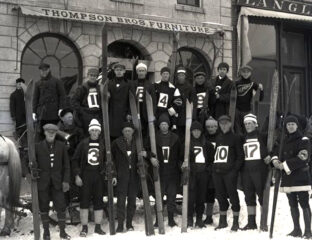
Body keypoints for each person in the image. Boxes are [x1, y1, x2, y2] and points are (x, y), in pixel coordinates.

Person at [272, 115, 311, 238]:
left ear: (297, 125)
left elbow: (303, 157)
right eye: (288, 124)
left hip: (300, 177)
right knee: (292, 204)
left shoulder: (303, 140)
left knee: (304, 204)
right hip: (288, 178)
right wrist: (275, 160)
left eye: (292, 124)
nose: (290, 126)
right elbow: (275, 151)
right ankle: (297, 229)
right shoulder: (283, 140)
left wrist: (284, 165)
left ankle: (308, 231)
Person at [112, 122, 150, 232]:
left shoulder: (138, 143)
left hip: (134, 176)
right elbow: (111, 160)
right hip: (121, 176)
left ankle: (129, 224)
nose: (127, 132)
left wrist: (145, 154)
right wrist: (114, 174)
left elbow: (148, 154)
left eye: (129, 130)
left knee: (132, 201)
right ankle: (120, 224)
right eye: (125, 131)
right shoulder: (116, 143)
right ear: (122, 132)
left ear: (133, 132)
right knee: (120, 201)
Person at [35, 123, 71, 240]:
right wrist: (29, 174)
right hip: (42, 182)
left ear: (56, 133)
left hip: (58, 182)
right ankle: (46, 233)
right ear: (45, 133)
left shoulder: (62, 146)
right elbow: (28, 161)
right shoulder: (38, 146)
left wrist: (66, 181)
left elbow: (67, 166)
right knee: (44, 207)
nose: (51, 134)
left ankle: (62, 232)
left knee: (61, 207)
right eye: (49, 132)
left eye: (53, 133)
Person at [72, 119, 106, 237]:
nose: (95, 132)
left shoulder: (103, 144)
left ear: (99, 132)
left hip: (98, 175)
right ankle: (84, 227)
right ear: (90, 131)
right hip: (86, 175)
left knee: (99, 201)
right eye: (93, 130)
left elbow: (108, 161)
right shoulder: (83, 143)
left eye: (97, 130)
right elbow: (75, 160)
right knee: (84, 201)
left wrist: (109, 173)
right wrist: (77, 175)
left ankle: (98, 226)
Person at [212, 115, 244, 231]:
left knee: (233, 195)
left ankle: (235, 222)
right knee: (220, 196)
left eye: (226, 123)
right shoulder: (218, 137)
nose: (223, 125)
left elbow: (240, 156)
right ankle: (223, 221)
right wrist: (214, 168)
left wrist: (234, 170)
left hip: (229, 173)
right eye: (221, 124)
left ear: (230, 124)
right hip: (217, 172)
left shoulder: (236, 138)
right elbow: (216, 154)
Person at [241, 114, 271, 230]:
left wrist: (271, 156)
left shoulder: (263, 136)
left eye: (250, 123)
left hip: (259, 171)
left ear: (255, 124)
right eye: (246, 124)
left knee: (262, 196)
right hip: (247, 171)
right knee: (248, 196)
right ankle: (251, 222)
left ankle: (263, 223)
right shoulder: (243, 137)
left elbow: (275, 146)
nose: (248, 125)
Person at [152, 113, 182, 227]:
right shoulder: (154, 137)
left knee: (171, 196)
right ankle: (158, 219)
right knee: (158, 196)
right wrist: (151, 157)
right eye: (162, 124)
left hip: (172, 172)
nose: (164, 126)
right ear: (159, 126)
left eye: (166, 124)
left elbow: (180, 153)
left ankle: (170, 219)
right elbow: (148, 149)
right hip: (160, 172)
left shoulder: (175, 138)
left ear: (168, 125)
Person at [184, 121, 214, 228]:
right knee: (190, 198)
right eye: (194, 131)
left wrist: (207, 170)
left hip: (203, 174)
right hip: (192, 174)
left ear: (201, 132)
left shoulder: (207, 144)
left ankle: (199, 219)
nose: (196, 133)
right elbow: (180, 159)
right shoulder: (187, 144)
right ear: (191, 132)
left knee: (201, 197)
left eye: (198, 131)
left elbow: (211, 160)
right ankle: (189, 219)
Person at [33, 63, 66, 128]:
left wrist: (61, 108)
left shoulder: (57, 81)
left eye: (45, 70)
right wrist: (34, 111)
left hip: (54, 113)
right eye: (42, 70)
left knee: (53, 131)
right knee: (41, 133)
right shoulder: (38, 83)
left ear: (49, 70)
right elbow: (35, 98)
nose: (43, 72)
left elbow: (62, 96)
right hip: (41, 114)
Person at [71, 68, 102, 135]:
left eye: (94, 76)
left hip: (97, 114)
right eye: (91, 75)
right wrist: (82, 111)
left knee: (97, 133)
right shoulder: (82, 88)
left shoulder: (99, 88)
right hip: (86, 114)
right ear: (88, 76)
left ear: (97, 77)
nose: (93, 77)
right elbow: (74, 101)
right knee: (86, 133)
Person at [235, 65, 264, 134]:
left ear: (250, 73)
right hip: (237, 110)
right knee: (237, 130)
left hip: (247, 110)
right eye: (244, 72)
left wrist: (261, 90)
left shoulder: (253, 84)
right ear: (241, 73)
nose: (245, 73)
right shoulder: (236, 83)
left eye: (247, 72)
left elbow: (260, 99)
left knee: (247, 130)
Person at [108, 63, 131, 141]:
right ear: (114, 71)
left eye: (120, 70)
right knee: (111, 133)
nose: (119, 72)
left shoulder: (129, 84)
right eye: (117, 70)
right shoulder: (109, 83)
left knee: (122, 135)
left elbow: (131, 100)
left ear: (124, 71)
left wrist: (129, 113)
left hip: (123, 113)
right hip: (111, 112)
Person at [10, 78, 28, 176]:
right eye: (19, 84)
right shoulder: (13, 95)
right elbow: (12, 107)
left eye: (22, 84)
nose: (20, 86)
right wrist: (13, 117)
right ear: (16, 85)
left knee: (26, 141)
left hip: (27, 121)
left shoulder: (26, 95)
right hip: (18, 122)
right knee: (20, 140)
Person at [203, 116, 219, 224]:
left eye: (213, 126)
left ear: (217, 127)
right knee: (206, 191)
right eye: (208, 127)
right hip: (205, 169)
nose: (211, 129)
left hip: (217, 169)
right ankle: (205, 215)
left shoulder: (221, 137)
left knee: (212, 192)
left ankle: (210, 216)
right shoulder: (203, 137)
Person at [132, 62, 152, 138]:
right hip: (135, 109)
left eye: (143, 71)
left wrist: (152, 113)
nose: (141, 73)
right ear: (137, 72)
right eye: (139, 71)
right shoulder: (132, 83)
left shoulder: (150, 84)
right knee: (135, 129)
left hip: (145, 111)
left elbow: (153, 100)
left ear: (146, 72)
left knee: (145, 131)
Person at [175, 65, 195, 139]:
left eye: (182, 75)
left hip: (187, 115)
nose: (181, 77)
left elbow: (193, 103)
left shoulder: (190, 88)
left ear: (185, 76)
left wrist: (193, 116)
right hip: (177, 115)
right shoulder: (174, 87)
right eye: (179, 75)